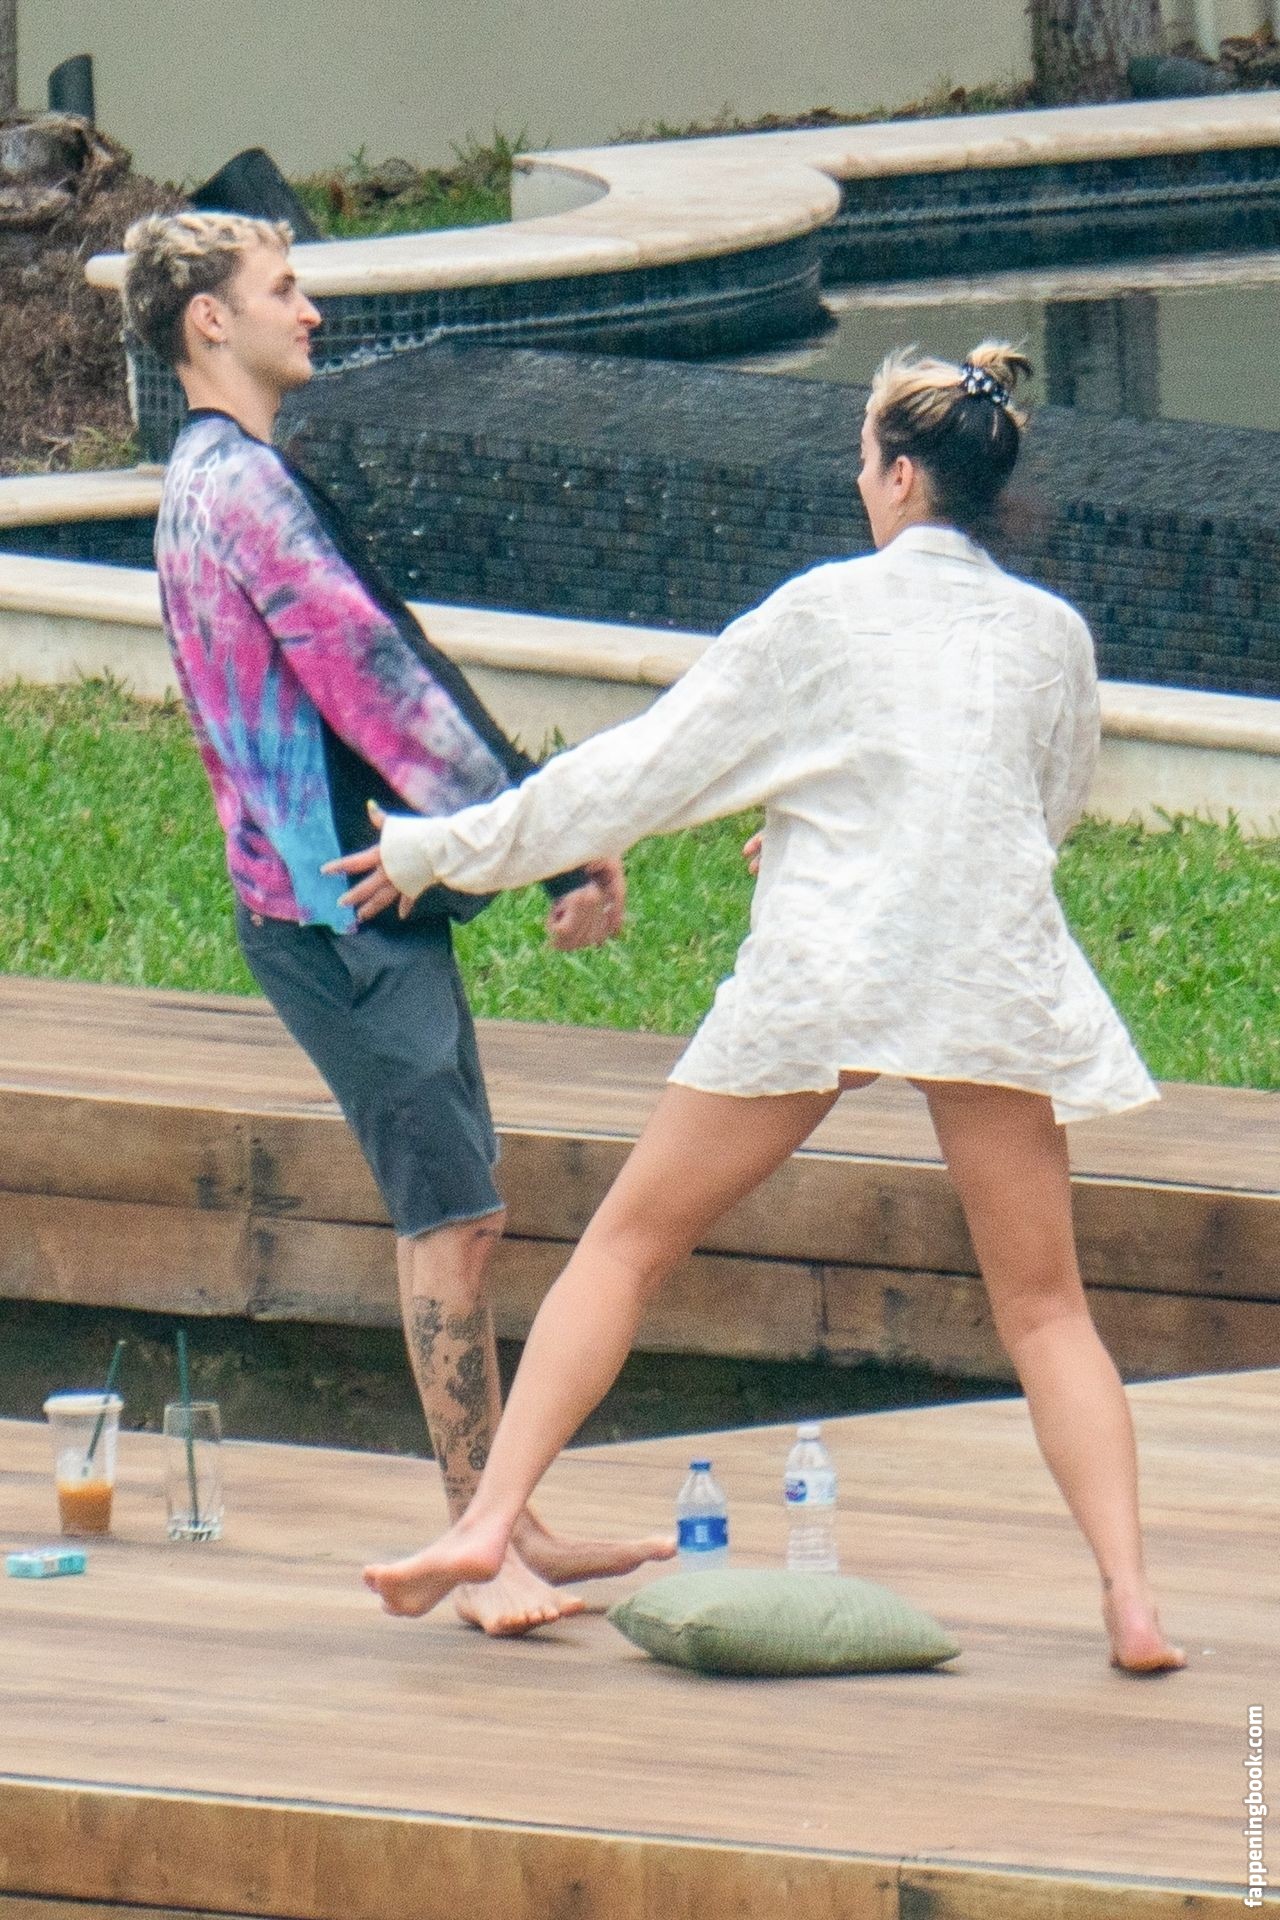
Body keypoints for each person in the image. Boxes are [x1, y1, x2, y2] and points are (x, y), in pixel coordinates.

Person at [328, 342, 1186, 1673]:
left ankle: (489, 1521)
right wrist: (847, 823)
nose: (859, 479)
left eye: (863, 458)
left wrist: (442, 848)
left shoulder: (823, 612)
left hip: (831, 971)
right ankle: (1131, 1602)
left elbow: (636, 775)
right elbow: (1032, 810)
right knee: (1045, 1308)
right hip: (986, 971)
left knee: (625, 1249)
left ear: (899, 477)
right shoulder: (1052, 637)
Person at [121, 210, 672, 1634]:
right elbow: (385, 688)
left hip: (346, 900)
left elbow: (376, 677)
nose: (309, 311)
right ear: (209, 321)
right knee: (452, 1220)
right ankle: (481, 1549)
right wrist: (550, 846)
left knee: (465, 1211)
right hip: (344, 913)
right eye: (284, 289)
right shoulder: (243, 491)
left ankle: (510, 1525)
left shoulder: (204, 480)